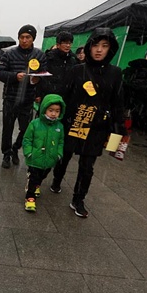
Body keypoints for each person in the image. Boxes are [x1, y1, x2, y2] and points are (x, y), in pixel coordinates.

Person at [50, 27, 126, 218]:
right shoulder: (77, 70)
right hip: (75, 122)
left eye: (105, 46)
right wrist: (56, 119)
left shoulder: (115, 73)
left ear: (111, 49)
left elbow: (118, 104)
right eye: (95, 45)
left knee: (87, 166)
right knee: (64, 157)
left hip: (98, 126)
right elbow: (64, 97)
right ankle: (57, 180)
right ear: (89, 47)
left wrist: (118, 134)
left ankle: (78, 199)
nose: (99, 50)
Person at [0, 24, 47, 168]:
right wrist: (14, 76)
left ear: (33, 39)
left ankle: (15, 148)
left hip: (28, 98)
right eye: (22, 37)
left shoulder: (39, 55)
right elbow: (0, 73)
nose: (24, 40)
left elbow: (44, 74)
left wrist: (38, 80)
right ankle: (6, 154)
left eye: (28, 37)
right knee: (7, 128)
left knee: (26, 129)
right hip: (10, 98)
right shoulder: (8, 54)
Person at [22, 94, 65, 212]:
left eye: (57, 111)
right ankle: (30, 197)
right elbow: (27, 139)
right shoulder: (35, 124)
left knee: (43, 174)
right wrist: (28, 152)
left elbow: (60, 141)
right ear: (44, 109)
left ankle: (36, 185)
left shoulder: (59, 126)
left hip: (50, 159)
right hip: (35, 158)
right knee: (34, 176)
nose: (53, 114)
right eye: (51, 110)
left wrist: (58, 154)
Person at [37, 31, 77, 104]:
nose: (68, 45)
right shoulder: (48, 58)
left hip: (67, 97)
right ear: (58, 45)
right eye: (65, 43)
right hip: (49, 96)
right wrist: (38, 94)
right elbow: (41, 76)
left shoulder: (73, 60)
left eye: (70, 43)